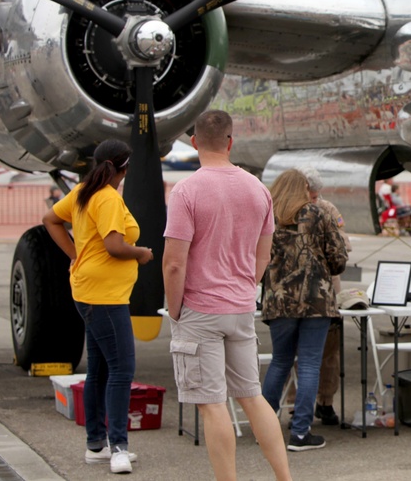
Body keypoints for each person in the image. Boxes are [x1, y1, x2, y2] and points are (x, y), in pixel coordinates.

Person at [162, 111, 292, 481]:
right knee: (252, 396)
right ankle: (285, 477)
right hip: (239, 306)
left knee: (212, 403)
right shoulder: (258, 189)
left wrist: (175, 310)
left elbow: (174, 263)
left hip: (200, 308)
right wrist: (243, 288)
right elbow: (262, 255)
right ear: (231, 142)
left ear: (194, 143)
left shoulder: (186, 191)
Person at [43, 139, 153, 474]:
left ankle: (96, 443)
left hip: (88, 290)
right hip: (106, 297)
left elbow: (50, 219)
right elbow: (114, 245)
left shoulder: (82, 191)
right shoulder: (106, 197)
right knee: (122, 369)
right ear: (125, 167)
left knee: (101, 369)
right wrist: (141, 253)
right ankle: (118, 445)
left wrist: (76, 255)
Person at [261, 168, 348, 451]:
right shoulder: (318, 213)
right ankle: (300, 434)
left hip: (279, 300)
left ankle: (264, 427)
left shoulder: (267, 216)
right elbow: (338, 257)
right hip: (316, 299)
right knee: (310, 364)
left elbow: (256, 258)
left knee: (280, 361)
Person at [303, 167, 351, 427]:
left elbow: (344, 244)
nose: (313, 201)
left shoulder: (328, 209)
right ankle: (297, 408)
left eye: (315, 196)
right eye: (309, 196)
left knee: (329, 352)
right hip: (297, 293)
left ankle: (326, 402)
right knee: (297, 355)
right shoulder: (285, 210)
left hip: (327, 290)